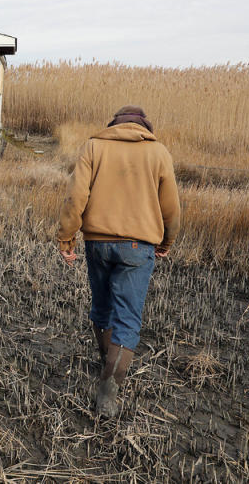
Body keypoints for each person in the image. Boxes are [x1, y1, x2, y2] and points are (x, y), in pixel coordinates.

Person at [57, 105, 181, 418]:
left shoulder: (94, 146)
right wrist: (166, 242)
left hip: (97, 243)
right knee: (127, 318)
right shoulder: (159, 152)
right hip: (138, 247)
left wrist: (66, 238)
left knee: (101, 308)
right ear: (145, 126)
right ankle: (108, 390)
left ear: (114, 124)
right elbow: (172, 209)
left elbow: (76, 196)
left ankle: (106, 358)